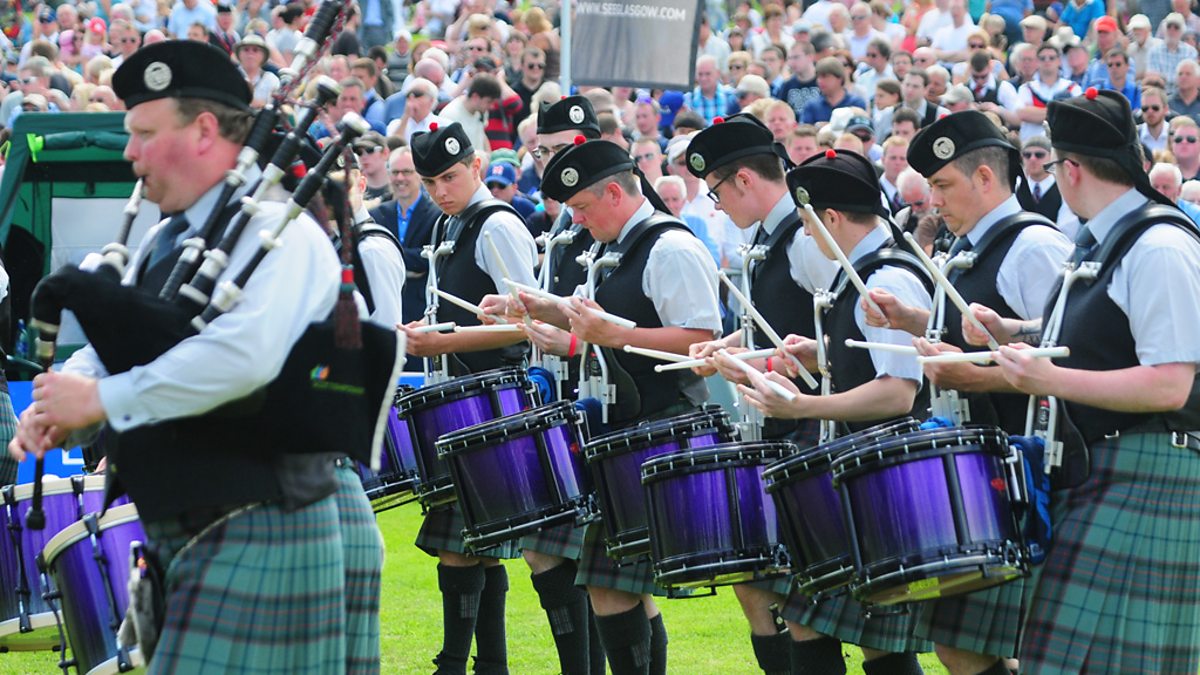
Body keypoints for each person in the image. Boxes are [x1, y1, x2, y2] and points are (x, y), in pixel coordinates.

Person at [10, 40, 371, 671]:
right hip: (186, 526)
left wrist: (101, 399)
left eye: (145, 133)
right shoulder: (161, 239)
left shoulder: (278, 233)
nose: (129, 153)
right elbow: (125, 342)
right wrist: (64, 402)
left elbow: (241, 358)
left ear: (204, 131)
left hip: (264, 525)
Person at [969, 87, 1200, 675]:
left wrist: (1049, 380)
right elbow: (1097, 336)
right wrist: (1014, 330)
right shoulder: (1105, 242)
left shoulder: (1160, 246)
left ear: (1069, 169)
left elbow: (1171, 383)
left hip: (1149, 470)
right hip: (1101, 471)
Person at [866, 110, 1071, 675]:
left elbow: (1064, 363)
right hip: (977, 471)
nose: (934, 200)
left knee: (1030, 648)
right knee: (960, 646)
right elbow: (964, 336)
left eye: (943, 184)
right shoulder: (964, 248)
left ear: (985, 178)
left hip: (1030, 474)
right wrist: (911, 319)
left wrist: (974, 376)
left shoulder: (1033, 246)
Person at [725, 148, 933, 675]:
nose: (808, 236)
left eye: (808, 224)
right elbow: (868, 359)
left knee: (880, 636)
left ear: (831, 218)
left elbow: (897, 392)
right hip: (855, 466)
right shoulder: (856, 275)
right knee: (807, 614)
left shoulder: (884, 279)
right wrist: (817, 355)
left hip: (885, 472)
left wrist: (805, 403)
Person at [521, 137, 721, 675]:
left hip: (662, 427)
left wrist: (616, 333)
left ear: (615, 192)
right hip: (619, 433)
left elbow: (704, 339)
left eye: (583, 208)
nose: (578, 222)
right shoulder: (612, 249)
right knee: (625, 585)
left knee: (611, 586)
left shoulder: (671, 248)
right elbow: (599, 327)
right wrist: (550, 309)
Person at [682, 113, 837, 675]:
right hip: (784, 427)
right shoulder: (771, 238)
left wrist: (753, 360)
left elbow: (843, 337)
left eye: (717, 191)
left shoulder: (805, 236)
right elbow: (778, 323)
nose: (716, 205)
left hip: (818, 427)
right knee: (776, 595)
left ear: (745, 179)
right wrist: (729, 344)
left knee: (817, 610)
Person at [399, 122, 537, 675]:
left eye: (450, 177)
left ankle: (456, 663)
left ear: (477, 166)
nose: (439, 190)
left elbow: (527, 323)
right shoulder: (447, 224)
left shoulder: (497, 225)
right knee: (473, 542)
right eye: (430, 181)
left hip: (493, 395)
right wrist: (430, 331)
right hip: (459, 395)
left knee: (465, 543)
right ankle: (489, 665)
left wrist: (444, 338)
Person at [370, 146, 439, 328]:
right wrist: (413, 259)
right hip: (385, 309)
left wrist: (389, 258)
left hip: (420, 312)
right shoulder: (377, 215)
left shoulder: (437, 215)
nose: (400, 178)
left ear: (419, 175)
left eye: (407, 172)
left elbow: (430, 259)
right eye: (395, 172)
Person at [1015, 136, 1064, 220]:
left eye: (1039, 155)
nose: (1032, 159)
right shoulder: (1016, 189)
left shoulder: (1063, 190)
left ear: (1051, 157)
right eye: (1027, 155)